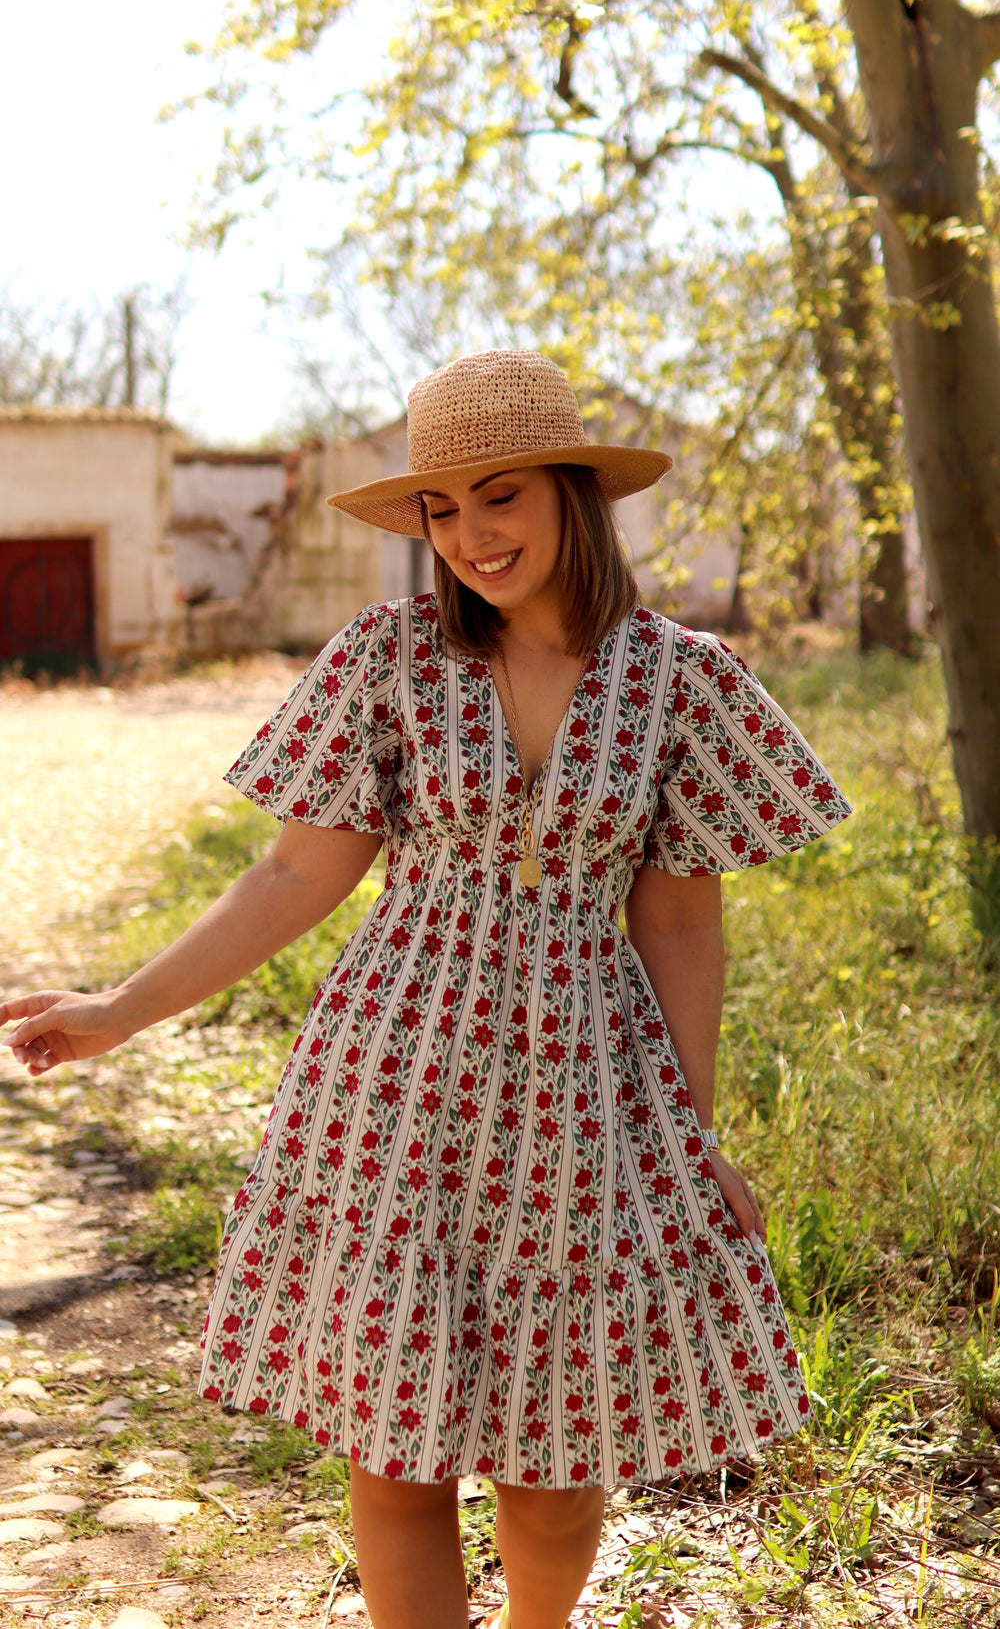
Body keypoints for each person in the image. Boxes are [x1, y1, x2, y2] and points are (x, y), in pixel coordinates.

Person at [2, 350, 851, 1629]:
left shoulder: (684, 676)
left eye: (497, 496)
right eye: (441, 511)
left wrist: (691, 1131)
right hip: (393, 1080)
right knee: (393, 1453)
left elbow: (679, 917)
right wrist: (121, 1009)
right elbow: (294, 873)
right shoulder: (389, 658)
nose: (469, 536)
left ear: (574, 491)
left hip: (585, 1093)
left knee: (553, 1466)